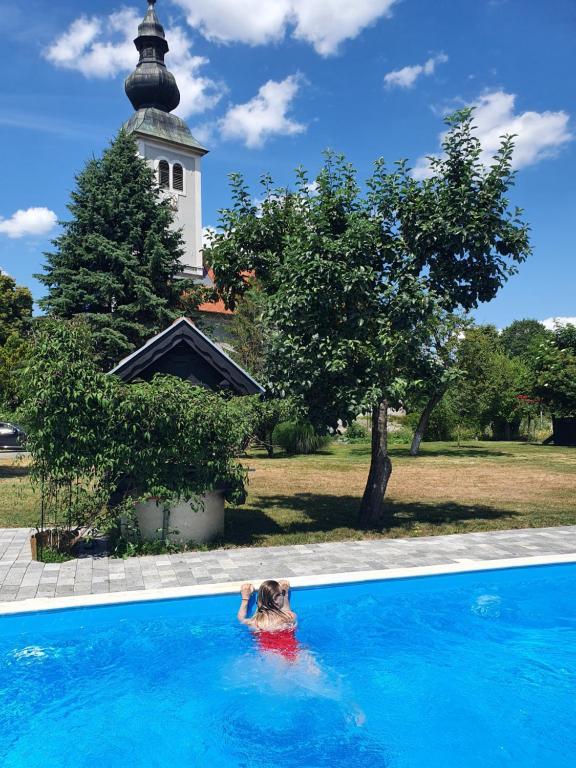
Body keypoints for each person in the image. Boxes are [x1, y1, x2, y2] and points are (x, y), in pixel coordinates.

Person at [238, 579, 299, 661]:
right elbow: (286, 609)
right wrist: (285, 594)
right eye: (282, 593)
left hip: (272, 657)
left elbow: (241, 618)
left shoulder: (256, 623)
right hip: (295, 653)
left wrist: (245, 599)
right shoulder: (290, 617)